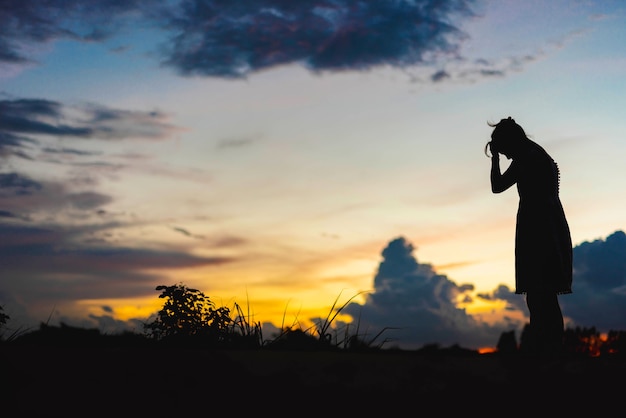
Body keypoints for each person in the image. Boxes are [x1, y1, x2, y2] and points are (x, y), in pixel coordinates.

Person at [485, 117, 572, 358]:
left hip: (538, 229)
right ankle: (549, 350)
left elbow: (497, 186)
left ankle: (547, 352)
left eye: (503, 149)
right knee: (544, 295)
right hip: (547, 225)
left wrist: (494, 160)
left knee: (539, 295)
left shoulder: (526, 156)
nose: (505, 155)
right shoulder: (535, 153)